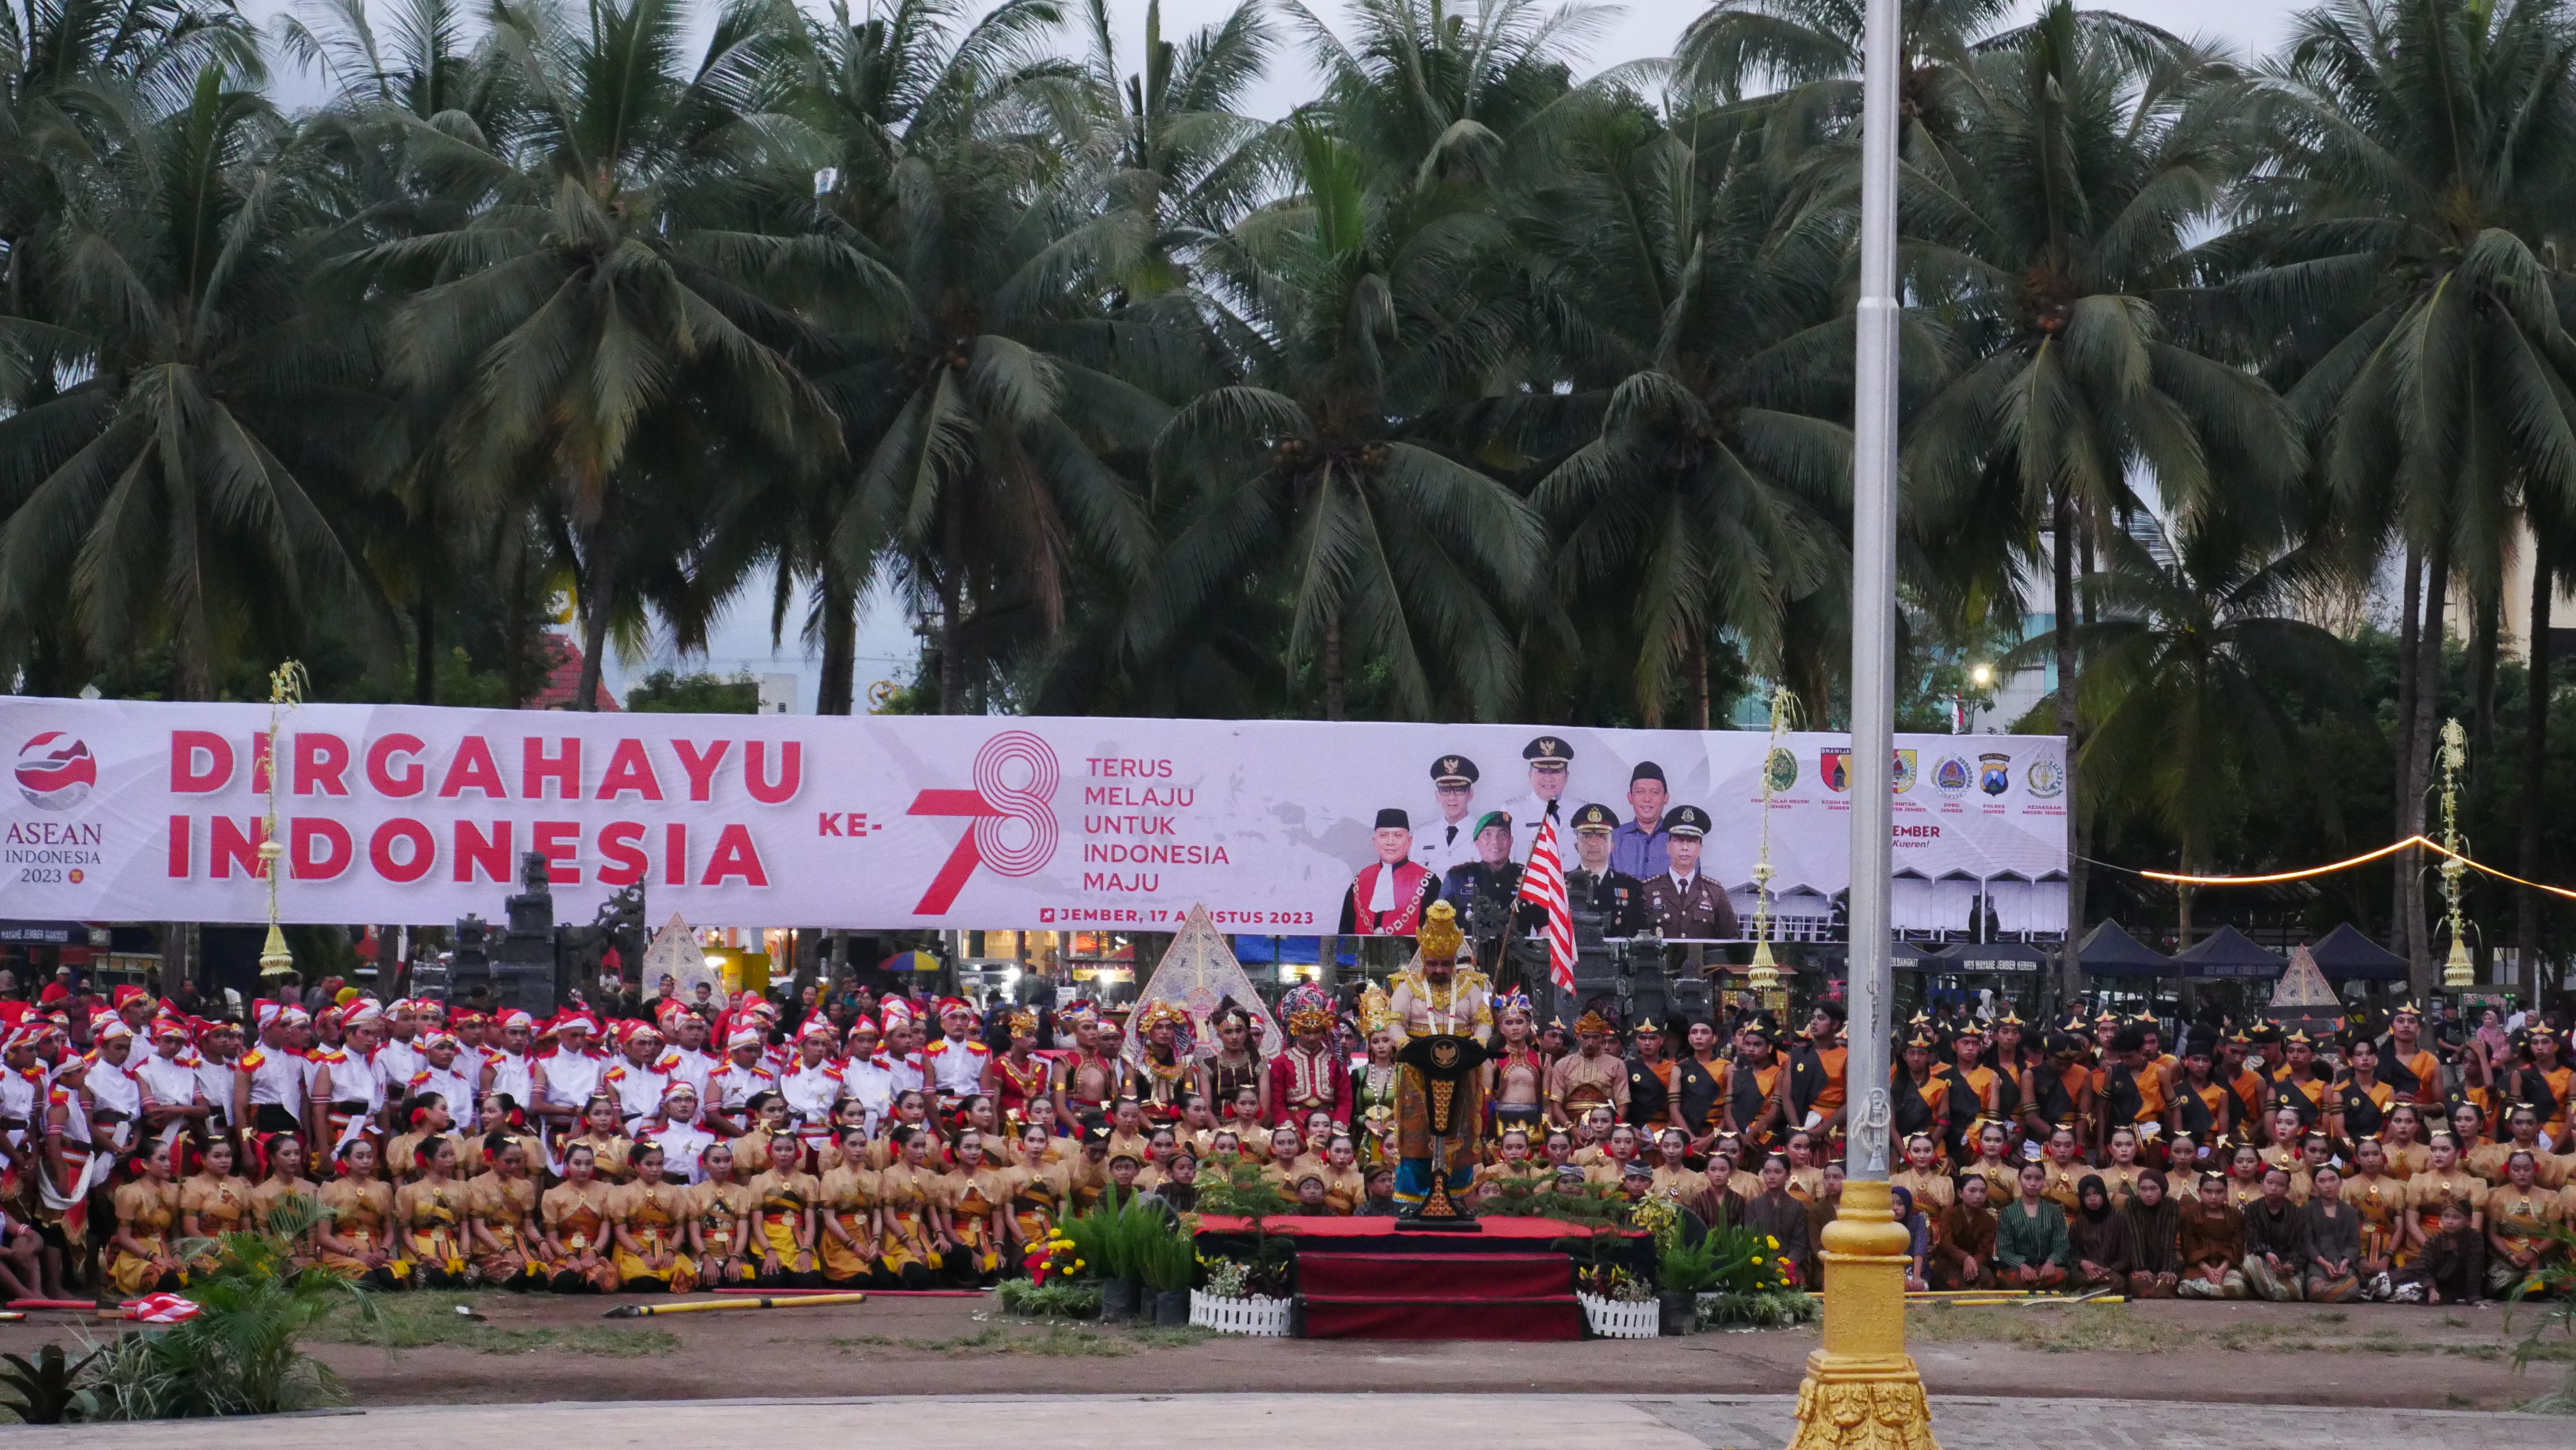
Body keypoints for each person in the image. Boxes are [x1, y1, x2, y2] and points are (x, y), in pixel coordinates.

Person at [1641, 805, 1738, 943]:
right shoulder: (1647, 891)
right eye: (1679, 840)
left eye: (1692, 841)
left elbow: (1732, 942)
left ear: (1700, 849)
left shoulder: (1715, 893)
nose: (1685, 847)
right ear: (1668, 847)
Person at [105, 1137, 185, 1297]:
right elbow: (123, 1238)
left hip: (166, 1252)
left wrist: (177, 1255)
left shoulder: (174, 1190)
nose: (168, 1164)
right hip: (135, 1256)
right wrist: (155, 1258)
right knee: (165, 1278)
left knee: (203, 1269)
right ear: (145, 1164)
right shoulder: (130, 1193)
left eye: (169, 1159)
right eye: (162, 1159)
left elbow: (175, 1229)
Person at [541, 1141, 620, 1293]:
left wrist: (593, 1255)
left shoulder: (606, 1190)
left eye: (588, 1164)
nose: (583, 1169)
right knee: (565, 1283)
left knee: (597, 1282)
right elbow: (551, 1236)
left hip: (594, 1250)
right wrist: (569, 1258)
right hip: (564, 1252)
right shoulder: (552, 1195)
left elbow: (605, 1229)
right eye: (577, 1163)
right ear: (566, 1165)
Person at [1341, 809, 1436, 936]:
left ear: (1409, 842)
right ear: (1374, 842)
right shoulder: (1360, 880)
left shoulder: (1429, 881)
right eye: (1384, 835)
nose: (1390, 842)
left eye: (1398, 835)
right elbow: (1344, 936)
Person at [393, 1136, 472, 1287]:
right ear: (428, 1160)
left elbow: (464, 1225)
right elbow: (405, 1232)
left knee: (461, 1279)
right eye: (444, 1156)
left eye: (452, 1154)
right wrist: (421, 1256)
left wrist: (465, 1253)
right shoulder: (410, 1191)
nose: (450, 1159)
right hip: (421, 1249)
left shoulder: (462, 1188)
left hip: (452, 1248)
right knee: (435, 1278)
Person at [1740, 1154, 1813, 1287]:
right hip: (1760, 1265)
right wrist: (1766, 1263)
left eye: (1778, 1172)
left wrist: (1786, 1264)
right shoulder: (1754, 1205)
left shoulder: (1797, 1207)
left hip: (1791, 1266)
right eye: (1767, 1172)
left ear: (1788, 1175)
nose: (1771, 1176)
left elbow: (1800, 1244)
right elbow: (1749, 1239)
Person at [1994, 1160, 2071, 1290]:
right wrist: (2022, 1265)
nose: (2033, 1183)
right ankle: (2039, 1287)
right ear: (2019, 1179)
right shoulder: (2008, 1213)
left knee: (2061, 1274)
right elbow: (2004, 1249)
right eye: (2027, 1178)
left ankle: (2033, 1287)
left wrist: (2051, 1263)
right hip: (2019, 1269)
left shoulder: (2054, 1211)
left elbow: (2062, 1245)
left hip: (2046, 1268)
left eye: (2038, 1178)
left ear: (2044, 1180)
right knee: (2005, 1277)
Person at [2240, 1165, 2311, 1301]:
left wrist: (2292, 1265)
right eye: (2270, 1183)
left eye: (2280, 1185)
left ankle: (2269, 1291)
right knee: (2251, 1262)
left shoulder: (2297, 1213)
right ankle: (2275, 1293)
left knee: (2292, 1291)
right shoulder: (2252, 1209)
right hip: (2263, 1260)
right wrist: (2267, 1254)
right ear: (2262, 1185)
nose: (2274, 1188)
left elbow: (2300, 1245)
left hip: (2287, 1265)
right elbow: (2253, 1238)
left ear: (2287, 1189)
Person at [1414, 755, 1483, 885]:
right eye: (1445, 791)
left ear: (1470, 794)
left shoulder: (1484, 833)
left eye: (1459, 790)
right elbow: (1413, 880)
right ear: (1437, 796)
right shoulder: (1422, 835)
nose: (1452, 798)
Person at [2177, 1172, 2247, 1299]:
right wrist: (2208, 1270)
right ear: (2199, 1192)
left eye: (2219, 1192)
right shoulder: (2190, 1214)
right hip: (2199, 1266)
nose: (2214, 1197)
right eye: (2208, 1192)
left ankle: (2216, 1290)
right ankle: (2216, 1291)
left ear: (2226, 1193)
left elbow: (2237, 1244)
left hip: (2226, 1266)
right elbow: (2189, 1246)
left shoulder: (2235, 1215)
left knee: (2238, 1287)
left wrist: (2223, 1268)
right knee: (2187, 1287)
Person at [2302, 1163, 2362, 1303]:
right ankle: (2337, 1293)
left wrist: (2345, 1263)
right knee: (2315, 1288)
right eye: (2322, 1181)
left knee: (2353, 1287)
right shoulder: (2308, 1209)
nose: (2328, 1185)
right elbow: (2307, 1243)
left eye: (2332, 1180)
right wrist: (2324, 1264)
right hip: (2318, 1265)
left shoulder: (2349, 1211)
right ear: (2315, 1186)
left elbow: (2354, 1245)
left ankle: (2329, 1294)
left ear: (2341, 1182)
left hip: (2342, 1266)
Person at [1931, 1173, 1997, 1290]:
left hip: (1976, 1263)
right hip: (1949, 1261)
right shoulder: (1949, 1213)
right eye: (1972, 1191)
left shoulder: (1989, 1221)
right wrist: (1965, 1258)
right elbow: (1946, 1244)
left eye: (1983, 1191)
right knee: (1955, 1283)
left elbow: (1985, 1250)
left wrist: (1973, 1263)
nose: (1978, 1196)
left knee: (1988, 1280)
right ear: (1960, 1193)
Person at [2123, 1169, 2182, 1299]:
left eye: (2153, 1189)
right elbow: (2135, 1236)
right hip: (2139, 1262)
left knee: (2165, 1287)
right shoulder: (2132, 1204)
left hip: (2165, 1261)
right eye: (2143, 1189)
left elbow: (2169, 1238)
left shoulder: (2171, 1205)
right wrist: (2140, 1267)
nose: (2148, 1194)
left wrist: (2168, 1269)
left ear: (2163, 1189)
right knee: (2141, 1285)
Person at [1609, 762, 1672, 880]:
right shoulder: (1614, 837)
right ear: (1630, 798)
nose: (1647, 799)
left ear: (1666, 798)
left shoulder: (1679, 839)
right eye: (1640, 792)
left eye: (1655, 792)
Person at [2068, 1174, 2128, 1291]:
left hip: (2112, 1272)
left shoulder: (2120, 1219)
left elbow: (2126, 1255)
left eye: (2097, 1193)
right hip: (2085, 1272)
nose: (2093, 1198)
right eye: (2087, 1195)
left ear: (2104, 1194)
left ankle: (2094, 1290)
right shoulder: (2078, 1224)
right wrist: (2083, 1263)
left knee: (2118, 1282)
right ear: (2081, 1198)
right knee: (2076, 1280)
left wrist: (2110, 1269)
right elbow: (2072, 1253)